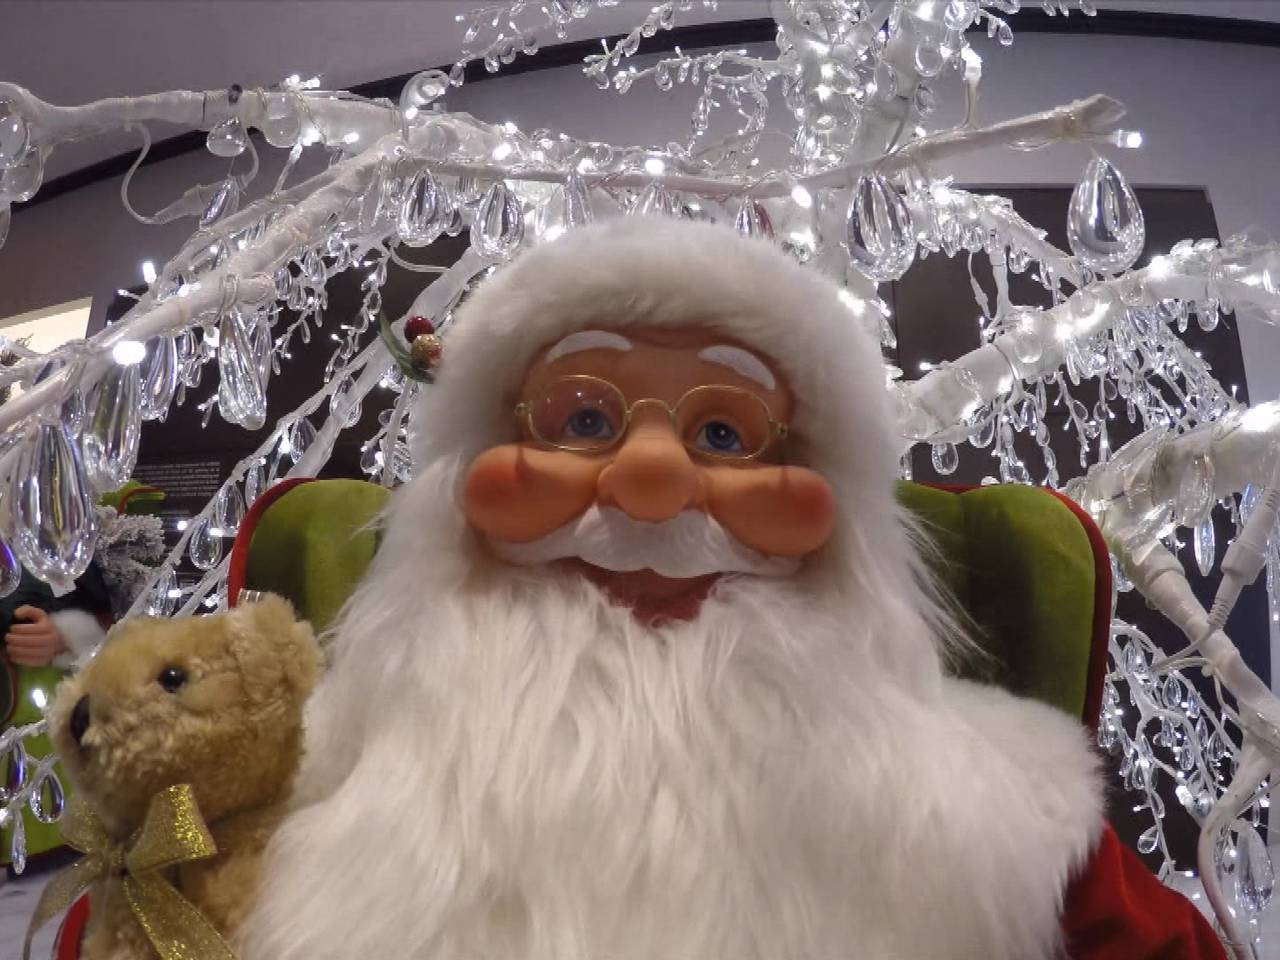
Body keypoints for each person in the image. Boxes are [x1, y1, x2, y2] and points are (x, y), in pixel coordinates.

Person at [242, 218, 1222, 960]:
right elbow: (159, 893)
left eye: (723, 433)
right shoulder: (299, 764)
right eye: (582, 420)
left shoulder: (1001, 813)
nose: (650, 481)